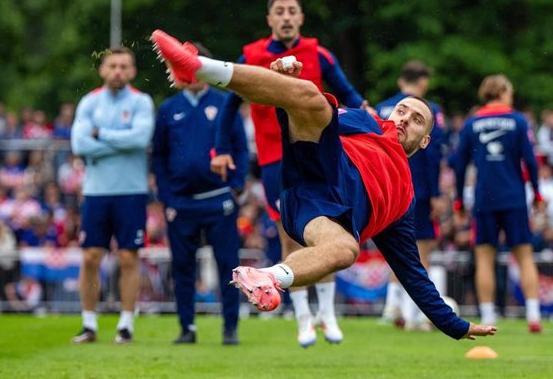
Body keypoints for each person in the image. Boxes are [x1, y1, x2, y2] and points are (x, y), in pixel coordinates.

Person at [151, 29, 497, 342]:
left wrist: (454, 325)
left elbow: (414, 275)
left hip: (322, 219)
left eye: (416, 118)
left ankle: (267, 277)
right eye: (401, 110)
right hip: (316, 168)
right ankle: (197, 67)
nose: (404, 118)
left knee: (347, 250)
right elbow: (312, 119)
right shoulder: (368, 121)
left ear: (425, 141)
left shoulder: (404, 200)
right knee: (312, 96)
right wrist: (288, 94)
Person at [210, 0, 368, 347]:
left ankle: (327, 314)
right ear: (269, 20)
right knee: (289, 235)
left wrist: (372, 123)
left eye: (291, 11)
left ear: (301, 18)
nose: (285, 17)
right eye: (278, 12)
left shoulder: (318, 53)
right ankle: (303, 318)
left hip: (318, 157)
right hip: (274, 161)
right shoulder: (251, 55)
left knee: (326, 231)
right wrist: (220, 149)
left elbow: (352, 96)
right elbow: (228, 107)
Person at [152, 44, 249, 345]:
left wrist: (236, 187)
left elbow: (241, 148)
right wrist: (167, 199)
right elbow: (158, 156)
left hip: (219, 199)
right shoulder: (168, 109)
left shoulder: (225, 104)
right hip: (181, 203)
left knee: (228, 267)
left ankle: (230, 327)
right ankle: (187, 328)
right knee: (182, 268)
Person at [70, 47, 155, 344]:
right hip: (96, 191)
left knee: (129, 257)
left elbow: (140, 139)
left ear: (132, 71)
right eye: (112, 66)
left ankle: (126, 324)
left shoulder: (142, 102)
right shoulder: (89, 103)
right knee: (91, 256)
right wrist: (121, 141)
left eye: (124, 66)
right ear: (103, 70)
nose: (118, 71)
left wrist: (101, 135)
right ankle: (89, 323)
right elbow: (79, 145)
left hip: (131, 191)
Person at [449, 74, 543, 333]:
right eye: (509, 90)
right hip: (513, 197)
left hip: (484, 200)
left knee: (484, 258)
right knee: (524, 256)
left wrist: (459, 201)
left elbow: (459, 165)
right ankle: (533, 317)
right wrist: (537, 194)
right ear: (502, 91)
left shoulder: (471, 124)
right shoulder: (518, 120)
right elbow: (531, 161)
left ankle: (488, 316)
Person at [376, 61, 447, 330]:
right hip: (418, 188)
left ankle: (392, 305)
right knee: (421, 250)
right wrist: (437, 193)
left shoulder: (385, 108)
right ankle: (416, 313)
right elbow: (432, 155)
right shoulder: (429, 112)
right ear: (423, 83)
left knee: (395, 247)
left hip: (384, 187)